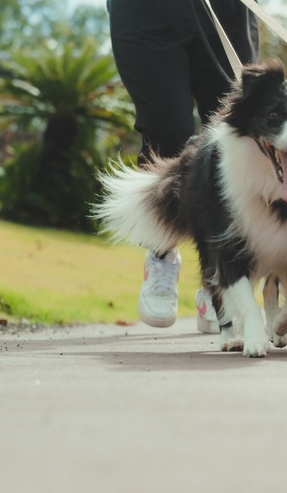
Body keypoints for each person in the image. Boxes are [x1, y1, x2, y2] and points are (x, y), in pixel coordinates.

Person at [108, 0, 259, 332]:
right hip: (146, 12)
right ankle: (161, 255)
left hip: (228, 9)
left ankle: (220, 279)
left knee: (231, 138)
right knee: (167, 134)